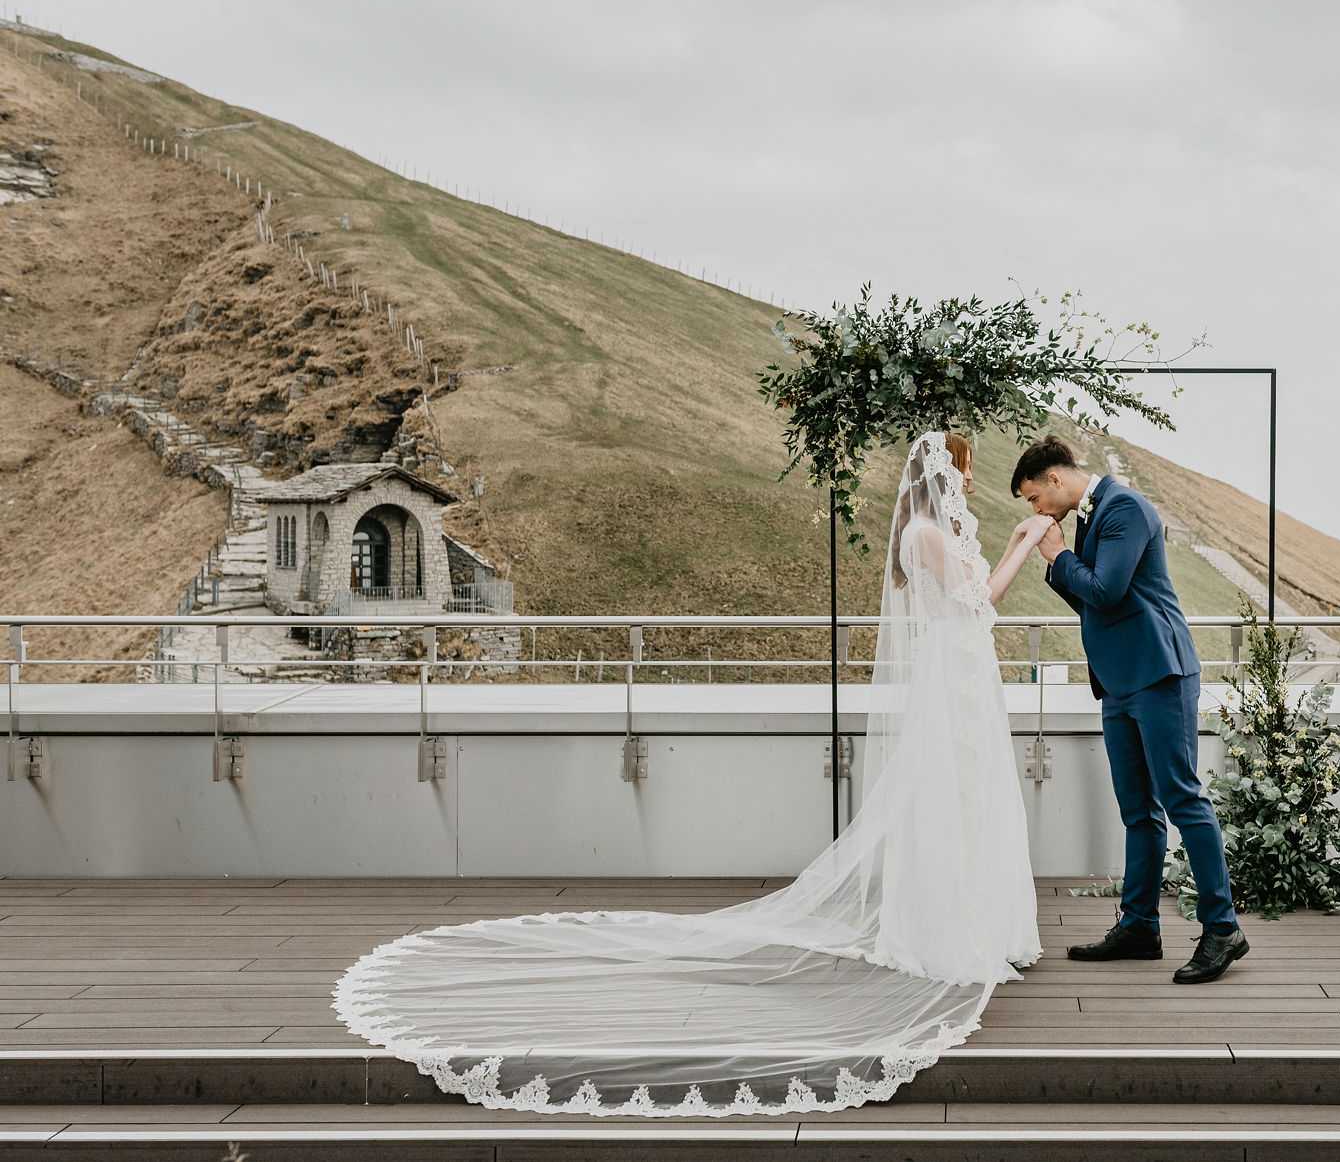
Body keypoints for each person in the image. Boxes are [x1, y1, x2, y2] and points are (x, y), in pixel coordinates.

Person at [333, 431, 1050, 1116]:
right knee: (945, 799)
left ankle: (975, 917)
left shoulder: (938, 535)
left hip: (963, 678)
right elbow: (979, 601)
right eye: (960, 469)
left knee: (968, 798)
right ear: (938, 478)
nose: (966, 481)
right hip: (954, 681)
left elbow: (969, 602)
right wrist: (1019, 543)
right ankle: (943, 928)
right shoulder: (925, 535)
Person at [1013, 435, 1249, 984]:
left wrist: (1057, 556)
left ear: (1054, 479)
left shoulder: (1125, 508)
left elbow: (1109, 591)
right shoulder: (1089, 515)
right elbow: (1092, 598)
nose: (1035, 509)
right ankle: (1140, 925)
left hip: (1160, 673)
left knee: (1183, 799)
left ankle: (1223, 929)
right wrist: (1062, 564)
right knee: (1138, 810)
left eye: (1033, 497)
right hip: (1119, 683)